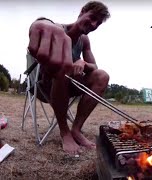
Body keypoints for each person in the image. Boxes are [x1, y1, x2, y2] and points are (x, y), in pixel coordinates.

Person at [27, 1, 110, 155]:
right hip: (43, 85)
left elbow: (95, 67)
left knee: (102, 76)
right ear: (82, 11)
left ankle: (76, 129)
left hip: (68, 86)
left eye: (97, 23)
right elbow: (45, 25)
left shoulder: (84, 40)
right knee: (63, 68)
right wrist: (40, 22)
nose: (93, 24)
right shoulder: (57, 29)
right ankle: (65, 132)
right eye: (92, 17)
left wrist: (83, 62)